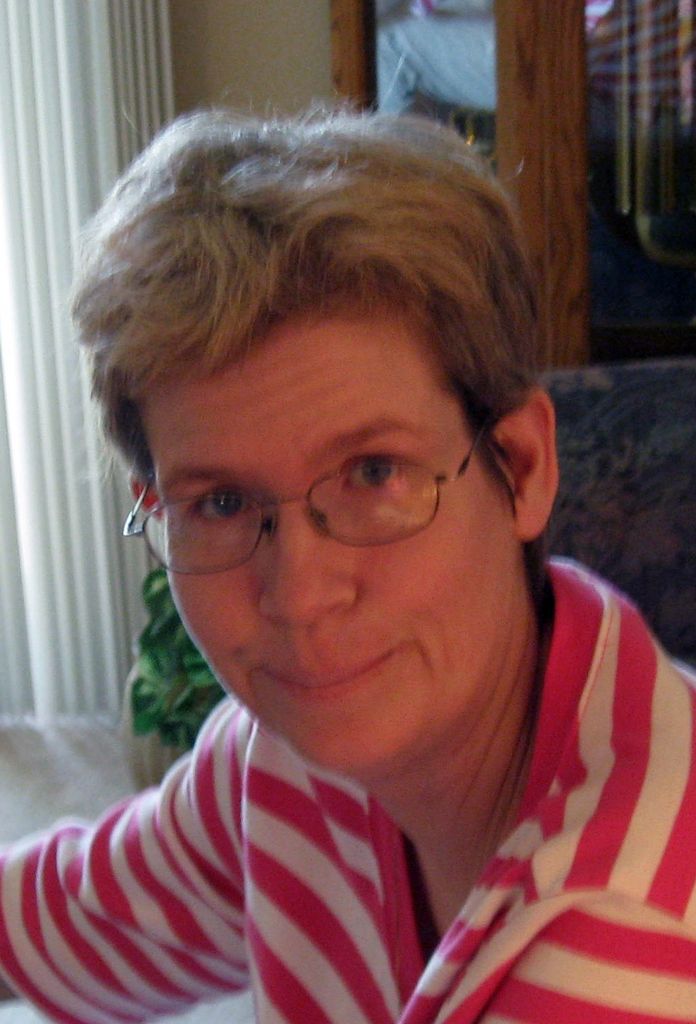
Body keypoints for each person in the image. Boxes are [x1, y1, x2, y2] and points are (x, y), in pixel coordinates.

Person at [0, 107, 695, 1024]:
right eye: (221, 503)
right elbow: (56, 923)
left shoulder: (632, 934)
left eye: (374, 474)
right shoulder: (290, 758)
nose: (299, 597)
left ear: (521, 467)